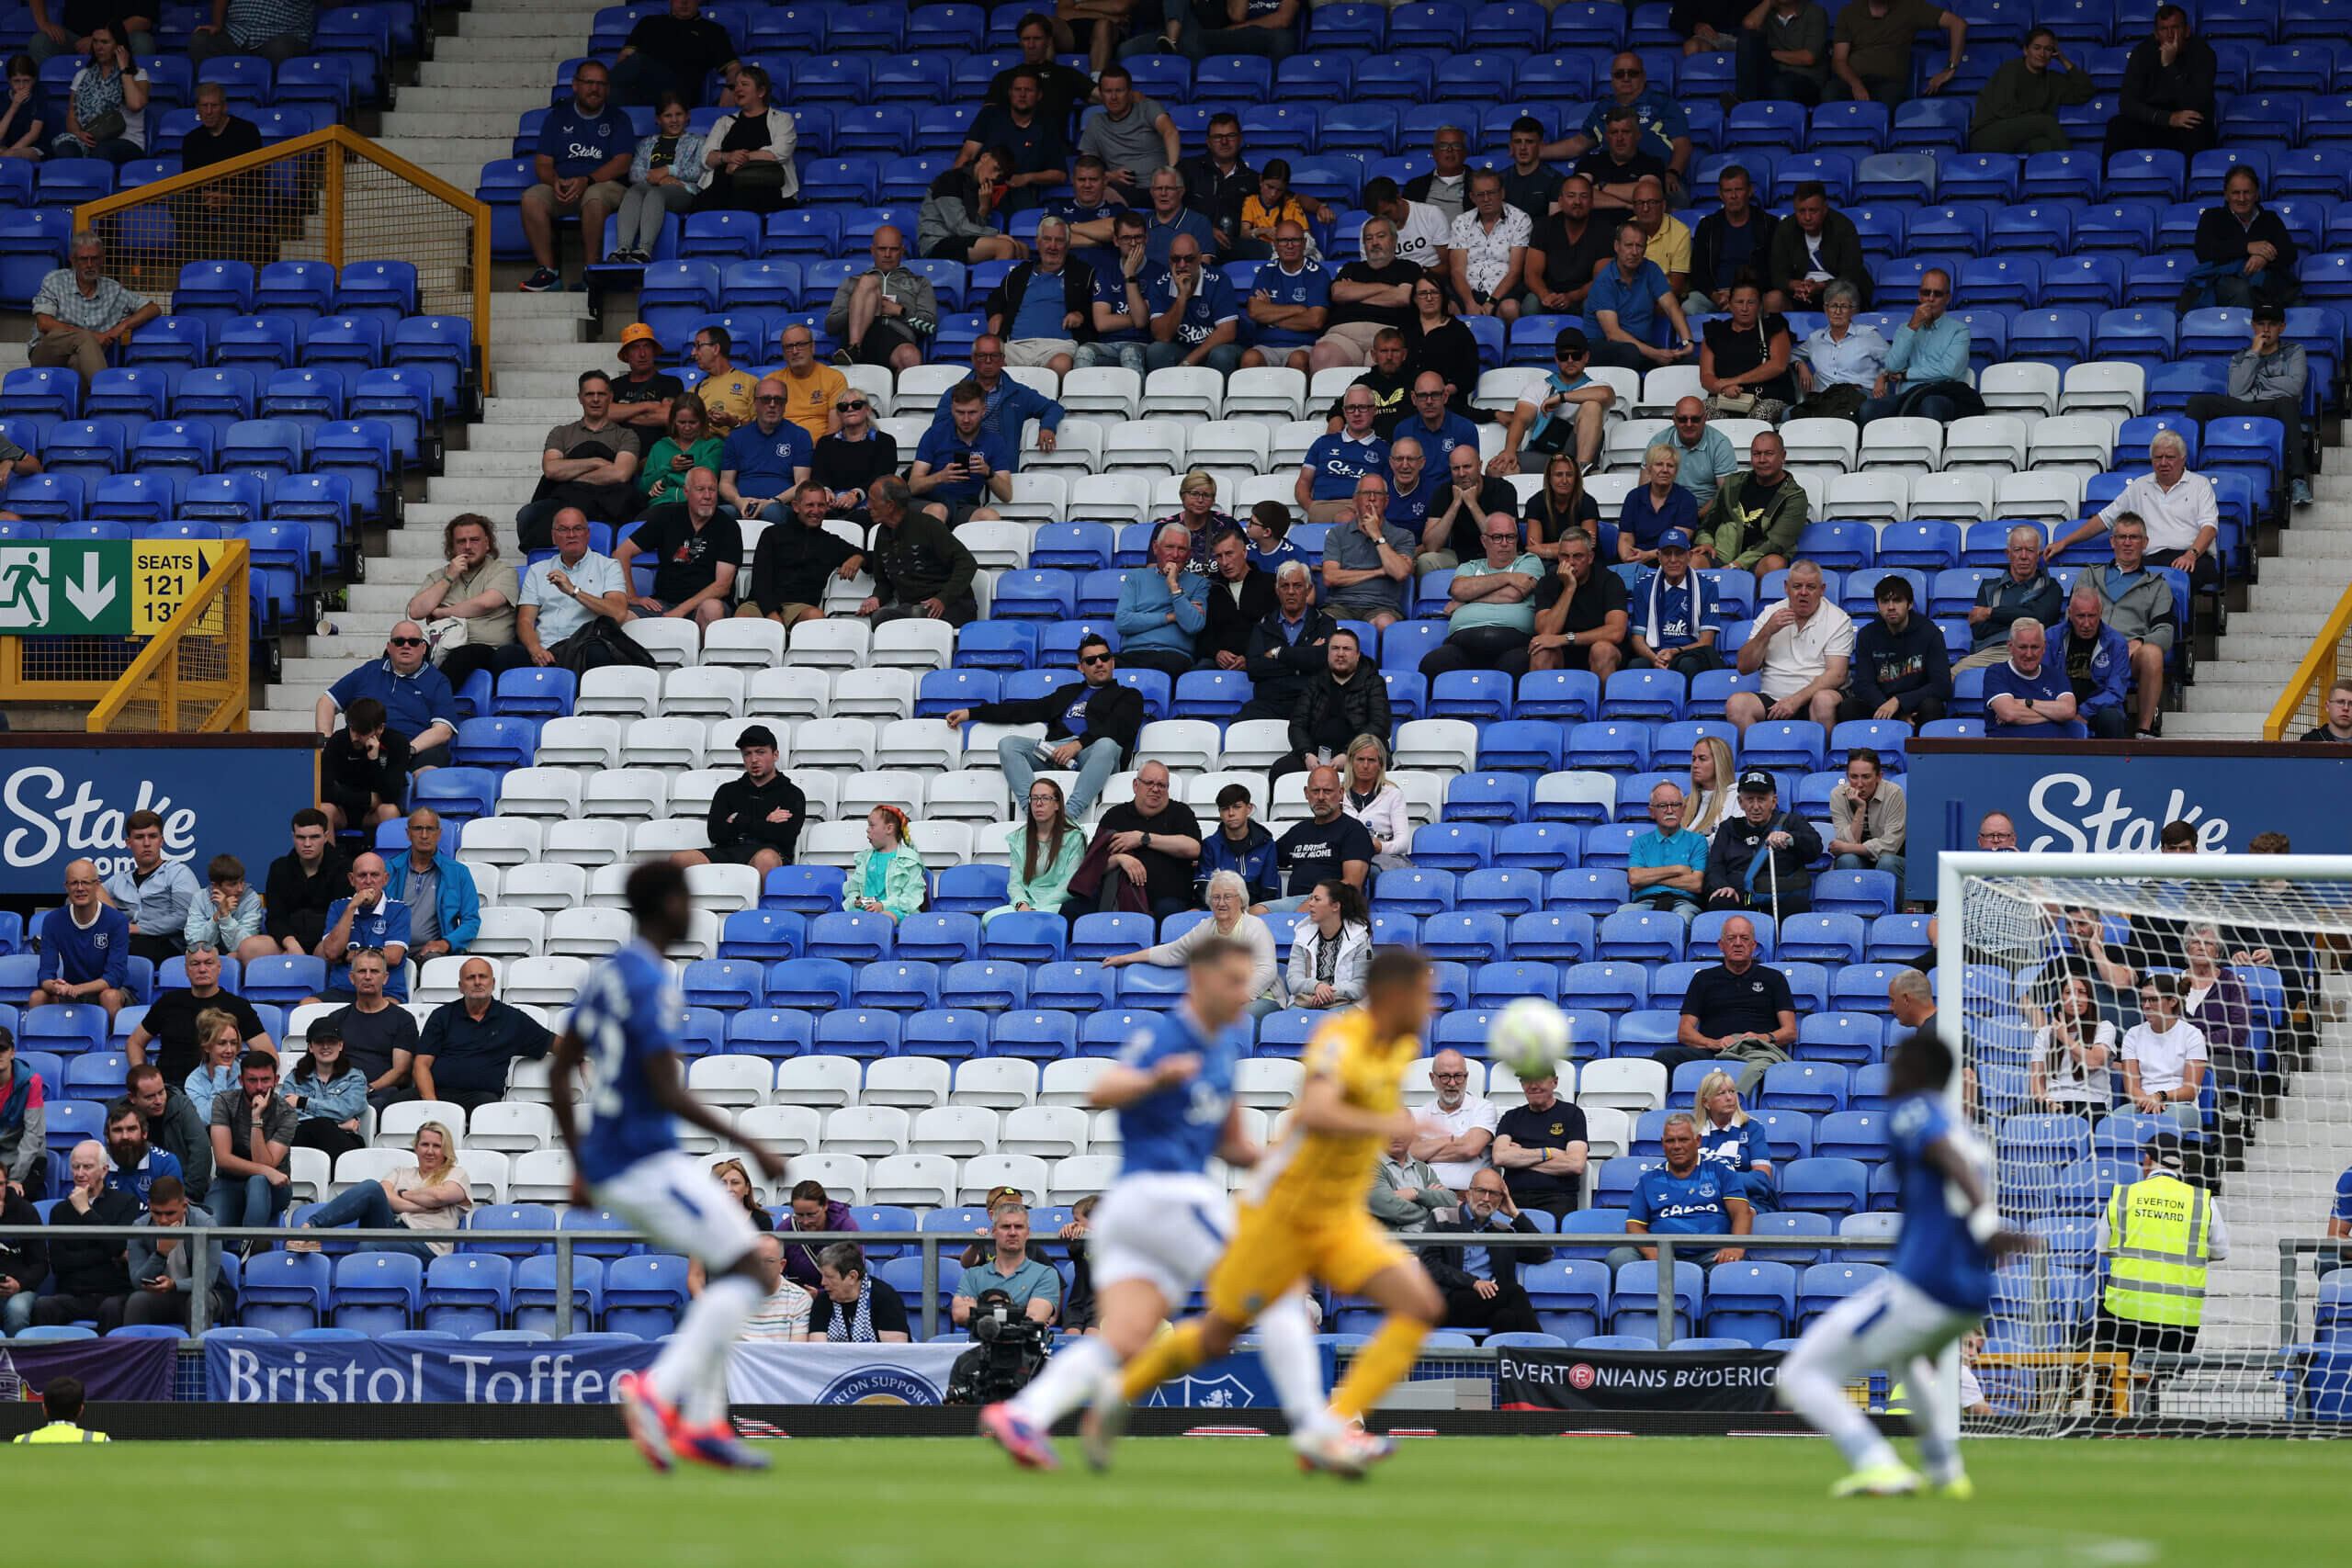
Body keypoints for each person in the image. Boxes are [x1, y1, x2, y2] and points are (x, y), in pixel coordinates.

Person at [981, 939, 1322, 1466]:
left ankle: (1024, 1414)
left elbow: (1231, 1142)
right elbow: (1104, 1091)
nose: (1244, 991)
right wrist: (1153, 1078)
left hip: (1142, 1213)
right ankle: (1317, 1429)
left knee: (1126, 1336)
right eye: (1233, 981)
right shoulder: (1168, 1035)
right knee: (1281, 1287)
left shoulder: (1225, 1046)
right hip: (1164, 1195)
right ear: (1200, 981)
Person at [1108, 948, 1440, 1472]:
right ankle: (1114, 1393)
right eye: (1425, 993)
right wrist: (1389, 1126)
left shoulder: (1403, 1046)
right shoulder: (1342, 1038)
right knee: (1219, 1334)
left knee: (1421, 1307)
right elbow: (1317, 1108)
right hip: (1282, 1213)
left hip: (1338, 1216)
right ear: (1397, 995)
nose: (1432, 1005)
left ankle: (1334, 1424)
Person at [549, 863, 789, 1471]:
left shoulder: (609, 974)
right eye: (686, 897)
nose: (693, 909)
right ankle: (658, 1395)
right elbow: (666, 1090)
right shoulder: (651, 980)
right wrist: (752, 1143)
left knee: (736, 1263)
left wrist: (580, 1160)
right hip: (643, 1160)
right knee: (752, 1273)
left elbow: (559, 1066)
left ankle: (705, 1424)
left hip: (625, 1157)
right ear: (664, 905)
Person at [1778, 1029, 2036, 1497]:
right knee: (1907, 1359)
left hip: (1925, 1284)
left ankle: (1878, 1464)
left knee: (1799, 1375)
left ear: (1917, 1073)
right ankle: (1944, 1470)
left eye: (1896, 1065)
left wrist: (1984, 1222)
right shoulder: (1965, 1129)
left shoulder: (1914, 1111)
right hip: (1968, 1293)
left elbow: (1946, 1159)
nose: (1886, 1075)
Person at [949, 634, 1144, 820]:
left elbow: (1116, 727)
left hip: (1093, 754)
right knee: (1009, 745)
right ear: (1081, 668)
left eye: (1104, 657)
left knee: (1107, 745)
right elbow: (1024, 710)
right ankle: (1035, 812)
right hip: (1056, 751)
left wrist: (1077, 745)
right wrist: (972, 713)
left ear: (1112, 661)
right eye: (1091, 660)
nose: (1099, 663)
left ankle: (1067, 816)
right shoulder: (1066, 693)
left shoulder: (1129, 695)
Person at [2096, 1132, 2226, 1399]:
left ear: (2147, 1160)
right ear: (2182, 1164)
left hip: (2125, 1307)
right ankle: (2154, 1431)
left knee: (2115, 1380)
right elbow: (2220, 1251)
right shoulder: (2203, 1200)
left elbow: (2102, 1247)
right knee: (2161, 1385)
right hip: (2178, 1314)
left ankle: (2109, 1429)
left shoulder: (2124, 1195)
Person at [288, 1121, 471, 1263]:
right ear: (416, 1147)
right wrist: (421, 1206)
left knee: (370, 1245)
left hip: (428, 1244)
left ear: (445, 1150)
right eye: (424, 1144)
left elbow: (441, 1196)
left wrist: (403, 1194)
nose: (430, 1151)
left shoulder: (456, 1173)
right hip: (394, 1228)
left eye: (437, 1146)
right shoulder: (401, 1172)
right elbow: (382, 1193)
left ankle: (355, 1299)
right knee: (371, 1187)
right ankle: (310, 1230)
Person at [2188, 302, 2312, 508]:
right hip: (2244, 406)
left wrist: (2257, 385)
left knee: (2288, 403)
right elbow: (2235, 391)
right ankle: (2187, 470)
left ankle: (2298, 480)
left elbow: (2295, 386)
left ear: (2282, 327)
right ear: (2253, 327)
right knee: (2197, 403)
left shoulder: (2295, 351)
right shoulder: (2241, 357)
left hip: (2276, 408)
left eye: (2272, 324)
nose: (2265, 330)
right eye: (2261, 324)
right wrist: (2254, 353)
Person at [518, 60, 628, 288]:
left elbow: (622, 162)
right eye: (589, 82)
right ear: (575, 85)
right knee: (531, 198)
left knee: (594, 197)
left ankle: (591, 273)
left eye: (600, 83)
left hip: (604, 185)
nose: (595, 89)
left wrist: (587, 180)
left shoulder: (618, 118)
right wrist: (555, 181)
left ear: (608, 88)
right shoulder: (557, 118)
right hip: (565, 185)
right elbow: (543, 163)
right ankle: (547, 273)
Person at [1607, 1111, 1754, 1274]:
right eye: (1670, 1141)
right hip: (1663, 1254)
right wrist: (1652, 1251)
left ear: (1698, 1140)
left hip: (1711, 1255)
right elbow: (1634, 1224)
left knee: (1732, 1268)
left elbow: (1742, 1212)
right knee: (1618, 1258)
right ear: (1663, 1144)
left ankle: (1691, 1284)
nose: (1677, 1146)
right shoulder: (1648, 1180)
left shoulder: (1720, 1170)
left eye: (1683, 1139)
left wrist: (1735, 1247)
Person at [1725, 559, 1853, 735]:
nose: (1803, 593)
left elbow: (1837, 675)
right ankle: (1759, 758)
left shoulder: (1838, 619)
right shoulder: (1770, 614)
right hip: (1773, 698)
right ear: (1786, 587)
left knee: (1823, 700)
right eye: (1797, 586)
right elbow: (1744, 667)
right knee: (1737, 705)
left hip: (1814, 698)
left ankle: (1824, 760)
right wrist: (1767, 631)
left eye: (1811, 587)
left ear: (1822, 590)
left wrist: (1795, 700)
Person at [516, 372, 642, 547]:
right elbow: (551, 470)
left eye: (602, 394)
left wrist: (569, 474)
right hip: (563, 501)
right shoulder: (561, 433)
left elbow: (620, 474)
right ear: (580, 398)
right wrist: (596, 462)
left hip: (609, 505)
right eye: (590, 394)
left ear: (611, 397)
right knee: (527, 516)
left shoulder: (626, 436)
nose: (596, 399)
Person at [2084, 513, 2181, 740]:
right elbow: (2074, 618)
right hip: (2089, 648)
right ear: (2112, 541)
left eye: (2134, 537)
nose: (2127, 543)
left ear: (2145, 543)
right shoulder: (2089, 576)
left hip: (2130, 654)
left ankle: (2143, 731)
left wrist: (2137, 644)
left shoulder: (2157, 585)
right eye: (2122, 537)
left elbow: (2165, 634)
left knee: (2152, 654)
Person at [413, 958, 554, 1114]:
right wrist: (433, 1105)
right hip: (437, 1093)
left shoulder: (512, 1019)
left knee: (489, 1111)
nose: (477, 982)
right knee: (393, 1103)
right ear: (460, 986)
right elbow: (421, 1064)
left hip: (481, 1098)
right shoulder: (441, 1016)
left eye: (483, 977)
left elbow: (553, 1042)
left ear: (493, 983)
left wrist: (581, 1057)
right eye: (470, 978)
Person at [500, 508, 631, 674]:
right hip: (545, 650)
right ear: (554, 537)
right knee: (505, 655)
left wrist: (574, 591)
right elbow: (525, 621)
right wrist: (536, 650)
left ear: (587, 534)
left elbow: (618, 613)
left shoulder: (608, 567)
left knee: (598, 653)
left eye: (577, 528)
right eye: (563, 530)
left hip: (585, 647)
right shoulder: (538, 570)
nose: (571, 535)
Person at [1542, 53, 1694, 193]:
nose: (1626, 78)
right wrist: (1537, 152)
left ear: (1644, 76)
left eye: (1633, 73)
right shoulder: (1602, 107)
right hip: (1611, 180)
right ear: (1612, 78)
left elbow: (1682, 144)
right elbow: (1578, 144)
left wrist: (1672, 172)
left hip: (1659, 179)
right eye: (1620, 74)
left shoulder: (1662, 103)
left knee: (1676, 201)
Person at [28, 231, 159, 390]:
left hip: (82, 361)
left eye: (94, 258)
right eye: (84, 259)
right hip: (47, 354)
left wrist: (122, 326)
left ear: (102, 258)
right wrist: (91, 337)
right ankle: (110, 395)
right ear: (73, 260)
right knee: (84, 338)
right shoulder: (55, 280)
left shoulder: (113, 290)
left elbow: (153, 308)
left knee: (77, 362)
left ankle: (86, 409)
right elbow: (44, 323)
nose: (89, 264)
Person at [1418, 514, 1544, 679]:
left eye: (1510, 537)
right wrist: (1508, 577)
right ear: (1484, 541)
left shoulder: (1529, 561)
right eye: (1497, 537)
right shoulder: (1469, 567)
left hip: (1513, 644)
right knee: (1433, 663)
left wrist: (1467, 599)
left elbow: (1513, 595)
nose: (1505, 543)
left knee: (1519, 665)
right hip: (1462, 645)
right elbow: (1458, 590)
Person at [125, 941, 269, 1082]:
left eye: (209, 963)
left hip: (217, 1090)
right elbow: (135, 1043)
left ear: (219, 968)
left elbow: (268, 1055)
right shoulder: (168, 1002)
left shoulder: (238, 1007)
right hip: (169, 1092)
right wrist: (145, 1079)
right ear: (187, 969)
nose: (202, 969)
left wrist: (239, 1082)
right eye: (195, 964)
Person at [1422, 1170, 1544, 1335]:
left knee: (1506, 1318)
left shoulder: (1502, 1231)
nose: (1486, 1198)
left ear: (1501, 1199)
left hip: (1488, 1303)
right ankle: (1544, 1354)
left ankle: (1498, 1360)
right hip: (1447, 1303)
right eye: (1481, 1191)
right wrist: (1472, 1282)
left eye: (1493, 1194)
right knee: (1516, 1293)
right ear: (1468, 1193)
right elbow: (1429, 1264)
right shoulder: (1442, 1218)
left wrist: (1515, 1213)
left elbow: (1542, 1253)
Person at [30, 1141, 136, 1330]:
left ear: (104, 1170)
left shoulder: (126, 1203)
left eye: (87, 1167)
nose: (80, 1174)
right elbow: (59, 1264)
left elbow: (119, 1246)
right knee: (43, 1305)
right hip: (73, 1294)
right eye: (75, 1167)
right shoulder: (59, 1211)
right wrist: (106, 1254)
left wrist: (85, 1210)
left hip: (113, 1293)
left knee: (112, 1308)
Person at [736, 482, 861, 639]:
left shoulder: (830, 543)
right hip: (761, 604)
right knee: (740, 622)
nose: (816, 511)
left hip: (800, 609)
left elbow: (871, 557)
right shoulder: (772, 534)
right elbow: (760, 579)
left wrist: (858, 557)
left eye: (821, 505)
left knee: (816, 617)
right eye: (810, 505)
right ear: (796, 506)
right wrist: (772, 615)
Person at [621, 466, 741, 626]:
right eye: (700, 489)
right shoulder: (666, 516)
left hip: (702, 606)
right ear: (686, 492)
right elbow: (621, 553)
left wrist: (681, 610)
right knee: (622, 615)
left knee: (712, 608)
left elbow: (722, 586)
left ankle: (702, 652)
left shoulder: (728, 526)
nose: (707, 496)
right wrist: (632, 597)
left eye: (712, 490)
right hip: (663, 603)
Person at [860, 476, 982, 626]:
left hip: (952, 606)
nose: (867, 506)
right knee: (880, 618)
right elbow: (884, 581)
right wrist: (876, 597)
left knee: (918, 614)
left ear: (890, 505)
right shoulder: (881, 534)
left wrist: (943, 598)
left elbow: (967, 563)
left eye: (872, 500)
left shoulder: (928, 525)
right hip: (912, 607)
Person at [1274, 628, 1390, 784]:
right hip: (1316, 754)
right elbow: (1297, 724)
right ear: (1328, 654)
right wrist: (1307, 754)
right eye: (1335, 648)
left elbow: (1379, 725)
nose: (1340, 654)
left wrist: (1349, 754)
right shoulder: (1315, 682)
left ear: (1358, 655)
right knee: (1280, 770)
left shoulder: (1373, 682)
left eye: (1347, 649)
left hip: (1360, 753)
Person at [1859, 267, 1971, 426]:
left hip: (1942, 394)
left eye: (1937, 294)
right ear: (1919, 296)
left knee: (1929, 404)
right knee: (1868, 408)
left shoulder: (1960, 331)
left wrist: (1906, 375)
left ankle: (1928, 450)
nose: (1930, 298)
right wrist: (1913, 326)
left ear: (1947, 298)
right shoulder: (1905, 328)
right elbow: (1892, 365)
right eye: (1926, 293)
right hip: (1907, 396)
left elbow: (1948, 370)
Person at [1949, 524, 2066, 675]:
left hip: (2031, 653)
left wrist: (1991, 613)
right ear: (2008, 554)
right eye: (2017, 550)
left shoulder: (2051, 587)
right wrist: (2024, 617)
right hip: (1992, 652)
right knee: (1950, 678)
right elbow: (1979, 630)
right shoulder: (1988, 587)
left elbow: (2041, 618)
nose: (2024, 556)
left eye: (2030, 550)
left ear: (2039, 555)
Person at [2104, 6, 2217, 163]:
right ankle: (2113, 181)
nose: (2170, 35)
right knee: (2117, 126)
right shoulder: (2142, 52)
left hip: (2185, 122)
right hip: (2153, 120)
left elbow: (2197, 103)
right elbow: (2127, 103)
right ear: (2156, 34)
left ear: (2187, 30)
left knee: (2199, 128)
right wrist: (2167, 118)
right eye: (2164, 29)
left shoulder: (2203, 53)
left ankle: (2192, 182)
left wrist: (2169, 66)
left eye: (2175, 28)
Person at [1705, 769, 1825, 918]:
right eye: (1750, 799)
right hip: (1738, 897)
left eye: (1761, 799)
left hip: (1778, 896)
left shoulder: (1791, 822)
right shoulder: (1728, 828)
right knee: (1720, 901)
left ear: (1774, 801)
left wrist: (1791, 838)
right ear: (1740, 802)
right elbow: (1715, 865)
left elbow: (1815, 848)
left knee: (1798, 904)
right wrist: (1722, 886)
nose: (1755, 806)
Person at [1496, 329, 1614, 477]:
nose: (1570, 360)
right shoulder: (1538, 387)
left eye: (1576, 355)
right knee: (1497, 469)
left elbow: (1606, 395)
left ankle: (1579, 475)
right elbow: (1520, 420)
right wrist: (1510, 450)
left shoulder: (1597, 386)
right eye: (1564, 356)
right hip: (1545, 454)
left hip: (1576, 455)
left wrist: (1562, 397)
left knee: (1591, 405)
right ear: (1556, 359)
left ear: (1586, 357)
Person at [205, 1050, 296, 1242]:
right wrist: (266, 1170)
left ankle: (251, 1244)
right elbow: (222, 1158)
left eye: (265, 1080)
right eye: (252, 1080)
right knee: (210, 1231)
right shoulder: (224, 1102)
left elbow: (265, 1164)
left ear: (276, 1079)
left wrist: (256, 1120)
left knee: (258, 1181)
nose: (259, 1087)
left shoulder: (286, 1113)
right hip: (230, 1182)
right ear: (240, 1080)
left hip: (275, 1187)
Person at [1839, 573, 1951, 729]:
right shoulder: (1867, 635)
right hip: (1881, 706)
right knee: (1849, 706)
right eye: (1885, 601)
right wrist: (1895, 714)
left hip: (1916, 706)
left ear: (1910, 604)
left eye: (1897, 600)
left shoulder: (1930, 633)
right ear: (1878, 606)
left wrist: (1899, 702)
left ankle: (1922, 753)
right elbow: (1863, 685)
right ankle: (1862, 753)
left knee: (1932, 706)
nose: (1891, 607)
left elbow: (1942, 686)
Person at [1311, 215, 1419, 372]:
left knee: (1385, 365)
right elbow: (1338, 293)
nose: (1375, 242)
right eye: (1369, 238)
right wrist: (1388, 289)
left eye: (1381, 236)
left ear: (1395, 240)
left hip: (1388, 336)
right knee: (1322, 354)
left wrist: (1356, 293)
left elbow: (1403, 296)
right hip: (1342, 337)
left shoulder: (1408, 268)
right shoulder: (1351, 268)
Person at [608, 93, 707, 265]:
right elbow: (634, 173)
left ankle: (644, 250)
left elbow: (698, 171)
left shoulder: (698, 141)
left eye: (679, 114)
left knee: (656, 194)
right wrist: (659, 179)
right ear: (658, 119)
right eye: (668, 115)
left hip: (683, 191)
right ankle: (623, 249)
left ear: (688, 116)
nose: (674, 120)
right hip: (652, 186)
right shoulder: (646, 144)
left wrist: (670, 170)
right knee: (634, 191)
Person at [93, 807, 197, 966]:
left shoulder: (178, 872)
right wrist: (116, 920)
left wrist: (137, 928)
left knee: (121, 950)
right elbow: (79, 899)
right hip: (127, 940)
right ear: (129, 843)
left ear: (161, 841)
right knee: (89, 884)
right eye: (140, 837)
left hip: (167, 944)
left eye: (152, 836)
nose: (147, 843)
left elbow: (184, 918)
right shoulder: (119, 880)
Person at [1586, 222, 1693, 373]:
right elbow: (1613, 333)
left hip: (1641, 347)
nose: (1634, 252)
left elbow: (1672, 307)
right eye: (1629, 245)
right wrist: (1655, 354)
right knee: (1630, 352)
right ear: (1617, 246)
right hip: (1603, 348)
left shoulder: (1651, 269)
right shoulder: (1604, 280)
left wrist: (1687, 342)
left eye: (1640, 246)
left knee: (1689, 361)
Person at [30, 858, 130, 1019]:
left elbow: (114, 977)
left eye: (86, 882)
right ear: (66, 887)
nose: (80, 888)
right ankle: (44, 1044)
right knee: (38, 996)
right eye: (74, 883)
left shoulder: (117, 920)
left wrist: (78, 989)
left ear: (97, 885)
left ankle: (113, 1044)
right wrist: (56, 986)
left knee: (109, 996)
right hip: (70, 990)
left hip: (109, 991)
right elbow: (45, 974)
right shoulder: (53, 920)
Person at [693, 62, 797, 218]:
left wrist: (741, 160)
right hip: (722, 185)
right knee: (698, 208)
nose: (738, 89)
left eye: (745, 84)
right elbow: (706, 158)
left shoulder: (782, 119)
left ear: (761, 91)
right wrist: (728, 157)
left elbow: (779, 153)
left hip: (763, 185)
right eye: (736, 85)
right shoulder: (724, 121)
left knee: (740, 205)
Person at [381, 807, 480, 970]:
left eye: (430, 829)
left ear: (439, 834)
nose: (424, 835)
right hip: (391, 946)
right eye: (418, 829)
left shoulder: (458, 872)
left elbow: (471, 920)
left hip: (429, 951)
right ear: (408, 833)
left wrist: (446, 943)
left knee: (435, 966)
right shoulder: (389, 870)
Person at [962, 68, 1071, 214]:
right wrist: (955, 188)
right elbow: (967, 154)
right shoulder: (990, 116)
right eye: (1017, 89)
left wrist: (1027, 178)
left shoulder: (1047, 126)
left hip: (1021, 193)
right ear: (1010, 93)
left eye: (1028, 90)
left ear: (1039, 95)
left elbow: (1060, 175)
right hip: (981, 188)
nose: (1022, 94)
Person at [1238, 559, 1336, 722]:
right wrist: (1305, 655)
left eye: (1297, 586)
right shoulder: (1263, 625)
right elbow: (1254, 669)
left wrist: (1278, 653)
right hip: (1269, 702)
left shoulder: (1324, 623)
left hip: (1312, 701)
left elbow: (1323, 660)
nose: (1291, 592)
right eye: (1285, 586)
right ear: (1277, 590)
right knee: (1239, 725)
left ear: (1309, 589)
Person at [1972, 27, 2094, 154]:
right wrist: (2037, 118)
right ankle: (2071, 164)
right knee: (2047, 122)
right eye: (2037, 48)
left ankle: (2062, 171)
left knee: (2044, 147)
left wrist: (2063, 59)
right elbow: (2004, 110)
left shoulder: (2052, 79)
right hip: (1987, 135)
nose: (2042, 54)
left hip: (2021, 138)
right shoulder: (2010, 70)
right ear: (2026, 50)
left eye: (2048, 49)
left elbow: (2085, 91)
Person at [985, 779, 1090, 928]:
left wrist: (1037, 909)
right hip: (1026, 905)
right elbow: (1015, 883)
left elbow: (1069, 883)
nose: (1038, 803)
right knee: (989, 919)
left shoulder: (1074, 836)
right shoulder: (1018, 838)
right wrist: (1022, 904)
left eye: (1045, 798)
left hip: (1057, 904)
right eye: (1034, 798)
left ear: (1057, 804)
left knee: (1051, 919)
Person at [1528, 525, 1629, 678]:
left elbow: (1616, 632)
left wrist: (1565, 639)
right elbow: (1546, 632)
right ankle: (1543, 702)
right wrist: (1569, 588)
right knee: (1541, 652)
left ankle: (1604, 702)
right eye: (1564, 556)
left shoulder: (1610, 580)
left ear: (1590, 558)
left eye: (1578, 556)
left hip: (1599, 649)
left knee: (1602, 650)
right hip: (1561, 653)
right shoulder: (1547, 582)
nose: (1570, 562)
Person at [909, 380, 1012, 528]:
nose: (966, 419)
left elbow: (1007, 495)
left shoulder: (994, 441)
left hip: (964, 506)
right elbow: (913, 486)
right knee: (939, 511)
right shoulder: (935, 434)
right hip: (928, 502)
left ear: (984, 410)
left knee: (991, 516)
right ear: (952, 409)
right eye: (960, 412)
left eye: (972, 413)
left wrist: (988, 473)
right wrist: (940, 477)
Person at [2195, 166, 2299, 312]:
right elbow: (2204, 251)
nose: (2242, 198)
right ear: (2226, 194)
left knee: (2295, 298)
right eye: (2236, 193)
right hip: (2222, 281)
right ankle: (2244, 335)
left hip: (2264, 281)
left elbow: (2289, 252)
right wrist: (2247, 247)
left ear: (2256, 194)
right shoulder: (2212, 217)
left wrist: (2264, 258)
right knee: (2243, 291)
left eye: (2247, 192)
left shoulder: (2270, 219)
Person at [1113, 522, 1210, 678]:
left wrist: (1174, 587)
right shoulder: (1135, 578)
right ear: (1156, 548)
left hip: (1172, 656)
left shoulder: (1200, 583)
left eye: (1182, 549)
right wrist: (1171, 617)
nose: (1175, 554)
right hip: (1133, 654)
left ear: (1189, 554)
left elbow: (1193, 625)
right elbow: (1123, 622)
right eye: (1169, 547)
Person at [310, 853, 410, 1003]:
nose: (368, 881)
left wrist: (346, 956)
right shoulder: (339, 907)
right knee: (307, 1005)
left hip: (385, 992)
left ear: (385, 879)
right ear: (352, 879)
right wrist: (351, 907)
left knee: (387, 1010)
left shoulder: (399, 909)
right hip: (342, 990)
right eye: (362, 875)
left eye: (375, 875)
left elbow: (393, 956)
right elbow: (331, 952)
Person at [1626, 529, 1724, 681]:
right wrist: (1654, 659)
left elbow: (1706, 642)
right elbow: (1637, 638)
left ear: (1689, 556)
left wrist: (1675, 651)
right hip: (1654, 653)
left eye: (1679, 553)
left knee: (1687, 664)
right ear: (1658, 557)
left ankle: (1690, 704)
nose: (1673, 559)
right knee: (1636, 666)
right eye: (1667, 553)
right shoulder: (1644, 586)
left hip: (1690, 653)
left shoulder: (1707, 586)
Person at [1826, 0, 1963, 107]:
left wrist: (1950, 69)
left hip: (1889, 84)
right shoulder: (1849, 12)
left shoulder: (1910, 7)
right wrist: (1856, 85)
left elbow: (1958, 24)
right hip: (1853, 81)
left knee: (1889, 100)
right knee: (1830, 94)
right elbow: (1839, 61)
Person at [1077, 63, 1179, 204]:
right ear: (1100, 94)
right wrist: (1109, 176)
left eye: (1119, 91)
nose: (1113, 97)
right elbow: (1086, 167)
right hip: (1125, 190)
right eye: (1108, 91)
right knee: (1100, 192)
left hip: (1162, 186)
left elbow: (1170, 132)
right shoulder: (1096, 123)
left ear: (1130, 92)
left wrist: (1172, 172)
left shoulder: (1146, 107)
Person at [715, 380, 814, 524]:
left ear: (785, 404)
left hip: (781, 506)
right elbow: (725, 483)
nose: (772, 404)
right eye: (766, 399)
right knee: (719, 513)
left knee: (772, 511)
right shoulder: (736, 437)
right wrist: (739, 501)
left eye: (778, 400)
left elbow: (802, 483)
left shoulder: (800, 436)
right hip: (742, 505)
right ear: (755, 403)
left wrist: (772, 502)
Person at [330, 953, 419, 1111]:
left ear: (385, 978)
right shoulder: (336, 1018)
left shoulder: (403, 1019)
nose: (368, 977)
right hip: (340, 1090)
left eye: (375, 972)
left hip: (382, 1093)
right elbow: (326, 1062)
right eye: (362, 971)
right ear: (352, 978)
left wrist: (368, 1088)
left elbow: (401, 1070)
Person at [1765, 182, 1871, 315]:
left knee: (1847, 296)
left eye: (1813, 211)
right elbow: (1777, 275)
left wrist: (1820, 286)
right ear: (1794, 209)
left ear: (1825, 208)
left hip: (1837, 291)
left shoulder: (1844, 227)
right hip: (1799, 294)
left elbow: (1851, 275)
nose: (1807, 217)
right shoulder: (1785, 229)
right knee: (1773, 300)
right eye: (1801, 211)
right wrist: (1797, 286)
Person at [954, 1199, 1063, 1327]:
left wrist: (978, 1309)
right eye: (1005, 1227)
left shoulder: (1046, 1275)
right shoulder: (973, 1275)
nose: (1012, 1233)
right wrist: (1016, 1313)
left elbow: (1033, 1319)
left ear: (1027, 1232)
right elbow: (959, 1314)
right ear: (993, 1231)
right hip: (982, 1347)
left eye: (1018, 1227)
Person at [1789, 281, 1888, 422]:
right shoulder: (1815, 338)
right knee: (1789, 414)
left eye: (1844, 306)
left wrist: (1882, 377)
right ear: (1825, 309)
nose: (1837, 311)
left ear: (1854, 310)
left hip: (1859, 396)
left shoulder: (1868, 335)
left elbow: (1896, 362)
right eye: (1833, 305)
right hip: (1825, 399)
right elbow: (1790, 355)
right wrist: (1800, 364)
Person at [2120, 975, 2209, 1131]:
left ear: (2172, 1001)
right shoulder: (2133, 1034)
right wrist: (2148, 1102)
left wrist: (2159, 1097)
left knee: (2164, 1124)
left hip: (2181, 1106)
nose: (2146, 1005)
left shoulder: (2192, 1034)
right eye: (2144, 1000)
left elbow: (2190, 1091)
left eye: (2153, 1000)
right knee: (2113, 1123)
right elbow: (2132, 1088)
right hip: (2143, 1104)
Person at [1144, 231, 1241, 373]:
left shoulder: (1219, 280)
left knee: (1222, 355)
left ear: (1200, 258)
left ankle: (1218, 395)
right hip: (1180, 349)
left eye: (1189, 259)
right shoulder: (1160, 284)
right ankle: (1165, 395)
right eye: (1176, 259)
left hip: (1214, 349)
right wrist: (1181, 297)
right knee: (1156, 351)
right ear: (1169, 260)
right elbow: (1162, 336)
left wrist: (1188, 362)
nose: (1182, 265)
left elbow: (1227, 332)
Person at [610, 0, 736, 107]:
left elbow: (734, 67)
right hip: (641, 92)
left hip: (680, 94)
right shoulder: (648, 23)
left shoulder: (713, 30)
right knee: (603, 93)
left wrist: (731, 88)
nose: (684, 2)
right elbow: (625, 58)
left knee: (637, 61)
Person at [51, 25, 146, 164]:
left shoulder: (138, 75)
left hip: (127, 141)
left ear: (119, 46)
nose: (98, 47)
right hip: (89, 139)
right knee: (66, 148)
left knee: (101, 150)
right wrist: (79, 134)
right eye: (95, 41)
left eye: (105, 42)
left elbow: (135, 105)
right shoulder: (82, 75)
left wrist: (124, 69)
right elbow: (72, 115)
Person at [1445, 169, 1529, 325]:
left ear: (1502, 193)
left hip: (1504, 291)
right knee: (1446, 307)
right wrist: (1469, 303)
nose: (1486, 199)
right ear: (1472, 197)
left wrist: (1491, 302)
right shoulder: (1461, 222)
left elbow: (1516, 271)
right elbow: (1457, 271)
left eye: (1491, 193)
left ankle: (1506, 349)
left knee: (1509, 308)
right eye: (1480, 194)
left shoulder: (1520, 219)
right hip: (1468, 291)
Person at [1983, 617, 2086, 740]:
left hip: (2054, 753)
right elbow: (2009, 714)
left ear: (2044, 647)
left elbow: (2068, 711)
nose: (2029, 654)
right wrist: (2055, 715)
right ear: (2010, 646)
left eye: (2035, 647)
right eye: (2023, 647)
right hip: (2007, 753)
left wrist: (2025, 702)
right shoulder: (1996, 673)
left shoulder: (2056, 675)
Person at [921, 147, 1027, 265]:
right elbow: (959, 227)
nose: (994, 177)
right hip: (937, 243)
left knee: (1023, 248)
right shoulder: (950, 179)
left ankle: (1010, 284)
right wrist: (996, 235)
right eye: (995, 169)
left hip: (961, 240)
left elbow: (974, 231)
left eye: (999, 175)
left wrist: (984, 207)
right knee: (1005, 247)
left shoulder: (981, 188)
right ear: (984, 157)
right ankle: (995, 284)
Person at [126, 1061, 211, 1208]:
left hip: (184, 1192)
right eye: (150, 1097)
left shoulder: (181, 1106)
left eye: (161, 1092)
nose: (158, 1101)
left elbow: (201, 1151)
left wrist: (188, 1194)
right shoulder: (120, 1116)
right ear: (132, 1098)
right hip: (137, 1196)